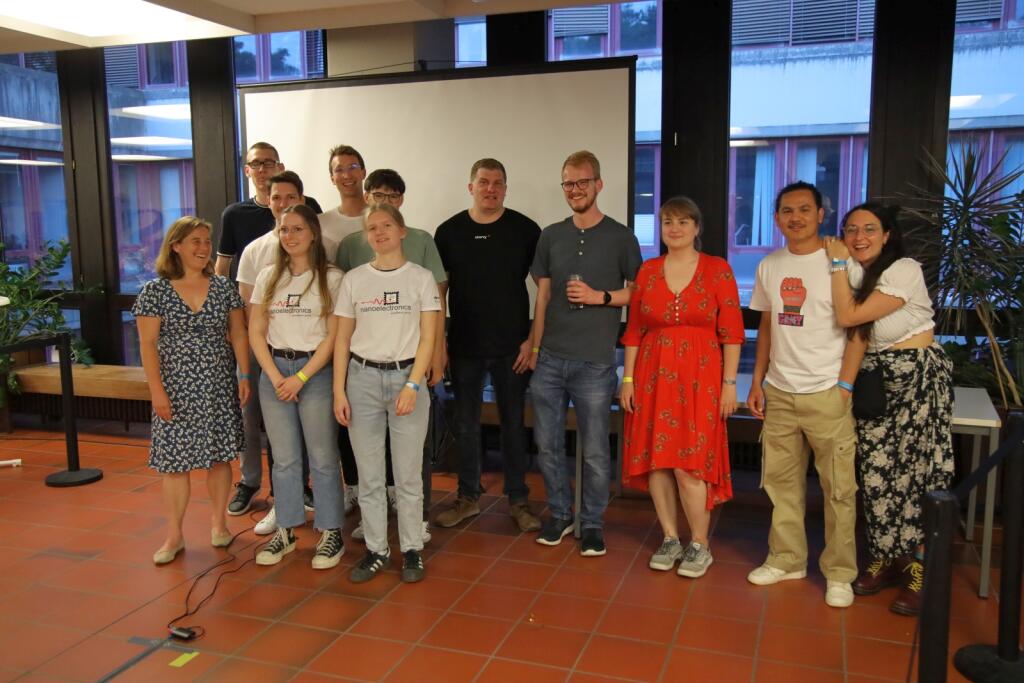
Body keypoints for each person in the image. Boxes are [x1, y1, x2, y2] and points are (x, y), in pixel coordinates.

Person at [824, 202, 953, 616]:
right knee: (876, 472)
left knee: (917, 474)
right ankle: (886, 557)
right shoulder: (856, 273)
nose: (858, 237)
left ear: (886, 235)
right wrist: (844, 386)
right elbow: (857, 336)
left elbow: (849, 316)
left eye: (868, 229)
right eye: (850, 229)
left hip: (917, 378)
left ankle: (920, 567)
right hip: (875, 381)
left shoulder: (903, 269)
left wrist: (837, 264)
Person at [745, 181, 862, 608]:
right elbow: (767, 326)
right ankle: (787, 558)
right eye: (787, 211)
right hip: (780, 390)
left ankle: (840, 573)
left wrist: (844, 386)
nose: (796, 218)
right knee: (781, 484)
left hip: (827, 392)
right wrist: (757, 381)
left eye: (804, 209)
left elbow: (859, 329)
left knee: (839, 490)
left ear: (820, 214)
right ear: (776, 218)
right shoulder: (769, 265)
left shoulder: (842, 262)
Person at [620, 197, 743, 578]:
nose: (674, 228)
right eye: (668, 222)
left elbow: (732, 332)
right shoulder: (648, 271)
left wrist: (729, 384)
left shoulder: (717, 269)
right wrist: (628, 380)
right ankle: (670, 537)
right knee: (657, 462)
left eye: (683, 221)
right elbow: (634, 331)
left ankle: (700, 544)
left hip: (701, 380)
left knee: (691, 465)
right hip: (652, 378)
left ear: (696, 227)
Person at [529, 150, 642, 556]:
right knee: (547, 445)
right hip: (550, 359)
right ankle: (561, 514)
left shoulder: (621, 237)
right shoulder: (550, 235)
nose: (575, 189)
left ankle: (592, 523)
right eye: (569, 183)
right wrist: (535, 346)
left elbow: (638, 292)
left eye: (582, 182)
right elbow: (543, 296)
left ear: (598, 184)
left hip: (595, 362)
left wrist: (600, 297)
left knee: (594, 451)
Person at [336, 168, 447, 542]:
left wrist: (414, 384)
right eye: (372, 228)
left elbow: (428, 337)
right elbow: (342, 340)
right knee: (369, 477)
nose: (379, 232)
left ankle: (412, 546)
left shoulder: (420, 278)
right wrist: (339, 391)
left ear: (402, 231)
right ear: (365, 236)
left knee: (407, 476)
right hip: (362, 380)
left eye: (386, 226)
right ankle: (376, 547)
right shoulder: (354, 280)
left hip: (406, 379)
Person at [433, 158, 542, 533]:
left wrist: (533, 341)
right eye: (483, 182)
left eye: (497, 183)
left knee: (513, 425)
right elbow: (439, 293)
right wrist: (440, 343)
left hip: (513, 346)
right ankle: (467, 498)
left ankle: (519, 501)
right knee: (466, 426)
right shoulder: (449, 232)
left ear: (505, 189)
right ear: (471, 187)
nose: (490, 189)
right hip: (464, 345)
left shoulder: (525, 230)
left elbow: (544, 289)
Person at [133, 217, 249, 565]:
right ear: (176, 246)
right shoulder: (155, 291)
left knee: (220, 458)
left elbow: (238, 333)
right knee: (174, 464)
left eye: (207, 241)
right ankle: (174, 534)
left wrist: (244, 374)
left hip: (218, 385)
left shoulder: (223, 287)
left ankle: (219, 524)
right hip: (176, 389)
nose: (203, 248)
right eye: (195, 241)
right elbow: (147, 344)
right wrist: (157, 392)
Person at [217, 141, 321, 518]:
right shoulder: (245, 231)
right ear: (248, 171)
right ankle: (249, 481)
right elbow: (239, 295)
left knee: (298, 423)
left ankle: (295, 487)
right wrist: (244, 342)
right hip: (258, 344)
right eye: (255, 164)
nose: (283, 203)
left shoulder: (310, 223)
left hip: (302, 347)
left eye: (290, 197)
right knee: (250, 414)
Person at [249, 204, 345, 569]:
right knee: (285, 459)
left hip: (315, 373)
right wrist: (276, 377)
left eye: (297, 229)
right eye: (284, 229)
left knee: (322, 457)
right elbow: (256, 331)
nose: (289, 236)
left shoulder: (332, 278)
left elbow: (334, 336)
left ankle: (330, 530)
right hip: (274, 372)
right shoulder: (268, 276)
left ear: (314, 234)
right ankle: (286, 530)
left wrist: (301, 378)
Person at [235, 171, 315, 536]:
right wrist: (264, 363)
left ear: (302, 200)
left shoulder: (318, 247)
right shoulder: (255, 251)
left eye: (290, 197)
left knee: (310, 435)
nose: (283, 203)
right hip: (265, 353)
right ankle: (276, 499)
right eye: (276, 197)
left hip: (308, 358)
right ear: (268, 201)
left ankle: (303, 492)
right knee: (268, 430)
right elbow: (248, 310)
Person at [319, 144, 371, 264]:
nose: (347, 175)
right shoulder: (320, 223)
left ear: (363, 172)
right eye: (339, 170)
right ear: (332, 178)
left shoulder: (381, 219)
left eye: (353, 167)